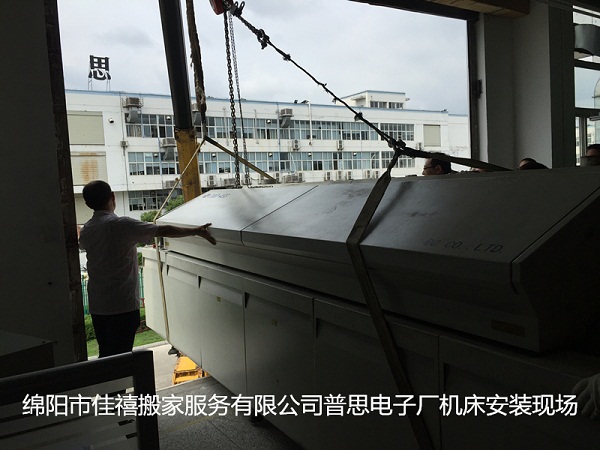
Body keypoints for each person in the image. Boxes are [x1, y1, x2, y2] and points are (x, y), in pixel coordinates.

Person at [79, 180, 216, 358]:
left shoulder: (87, 230)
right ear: (112, 197)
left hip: (98, 306)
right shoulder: (121, 225)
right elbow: (162, 230)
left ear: (88, 204)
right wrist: (196, 231)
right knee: (120, 358)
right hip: (122, 305)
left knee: (106, 355)